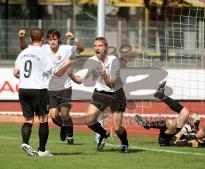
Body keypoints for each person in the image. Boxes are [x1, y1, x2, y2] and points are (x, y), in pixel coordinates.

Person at [18, 28, 84, 144]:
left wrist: (74, 38)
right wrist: (21, 38)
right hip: (50, 88)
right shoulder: (43, 49)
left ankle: (70, 136)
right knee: (53, 116)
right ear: (46, 40)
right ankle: (64, 127)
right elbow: (26, 48)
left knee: (64, 114)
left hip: (64, 86)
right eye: (50, 39)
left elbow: (81, 49)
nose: (52, 42)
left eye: (55, 39)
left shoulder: (66, 49)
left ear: (59, 40)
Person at [13, 28, 72, 156]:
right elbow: (57, 73)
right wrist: (67, 64)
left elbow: (15, 73)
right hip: (39, 90)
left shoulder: (23, 53)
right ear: (43, 38)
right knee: (43, 119)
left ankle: (25, 143)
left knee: (28, 120)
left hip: (23, 89)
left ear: (30, 39)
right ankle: (42, 150)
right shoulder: (44, 54)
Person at [68, 37, 129, 152]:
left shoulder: (113, 60)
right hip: (100, 93)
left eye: (100, 46)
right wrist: (71, 75)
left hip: (116, 94)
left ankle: (124, 143)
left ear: (105, 47)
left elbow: (112, 85)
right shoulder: (91, 61)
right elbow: (80, 80)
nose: (97, 48)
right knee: (89, 121)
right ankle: (104, 134)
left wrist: (104, 76)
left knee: (117, 128)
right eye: (95, 46)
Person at [135, 81, 205, 148]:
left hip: (168, 140)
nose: (198, 131)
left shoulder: (195, 143)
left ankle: (147, 124)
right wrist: (196, 125)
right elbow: (194, 131)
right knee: (185, 112)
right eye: (200, 130)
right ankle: (162, 96)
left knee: (172, 123)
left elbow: (174, 143)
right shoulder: (201, 138)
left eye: (200, 132)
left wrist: (182, 132)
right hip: (175, 133)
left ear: (204, 137)